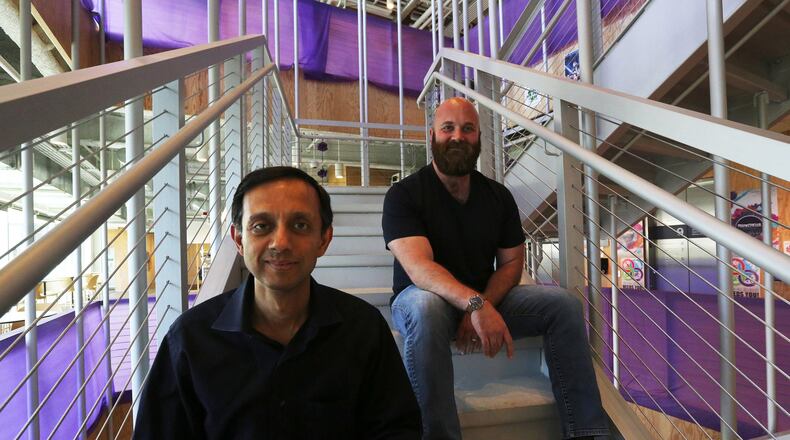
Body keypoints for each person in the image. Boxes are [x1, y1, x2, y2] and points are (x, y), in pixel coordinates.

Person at [134, 167, 421, 439]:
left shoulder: (364, 329)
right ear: (238, 239)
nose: (280, 243)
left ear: (324, 239)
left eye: (300, 225)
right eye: (261, 226)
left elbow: (397, 429)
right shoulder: (189, 339)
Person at [382, 97, 609, 440]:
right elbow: (420, 269)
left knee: (564, 305)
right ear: (432, 135)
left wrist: (483, 303)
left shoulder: (498, 197)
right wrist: (476, 305)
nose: (457, 136)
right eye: (448, 128)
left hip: (483, 298)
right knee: (426, 307)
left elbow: (512, 263)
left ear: (478, 139)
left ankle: (588, 432)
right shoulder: (404, 195)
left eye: (467, 129)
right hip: (422, 300)